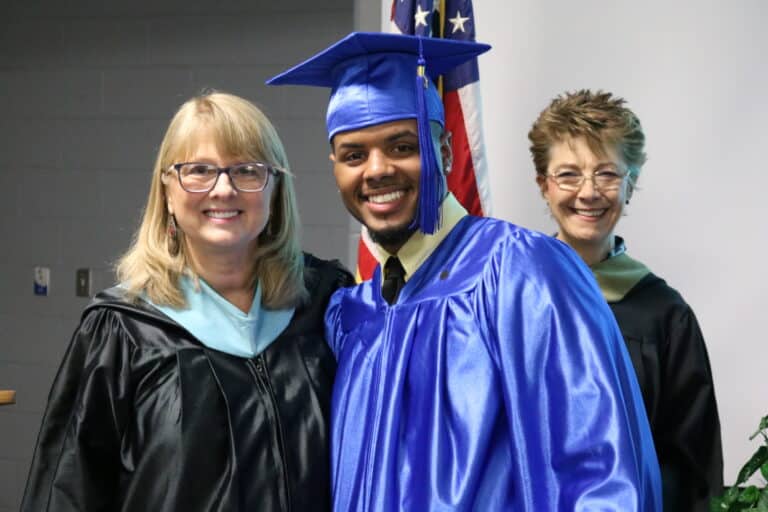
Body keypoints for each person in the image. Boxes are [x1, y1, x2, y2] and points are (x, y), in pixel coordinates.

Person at [268, 32, 662, 511]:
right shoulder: (352, 313)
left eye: (401, 146)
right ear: (335, 168)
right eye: (354, 154)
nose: (377, 170)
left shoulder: (523, 273)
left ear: (447, 153)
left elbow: (600, 473)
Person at [21, 91, 353, 511]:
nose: (224, 189)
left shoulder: (324, 305)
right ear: (167, 191)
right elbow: (68, 491)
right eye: (198, 171)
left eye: (248, 171)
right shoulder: (122, 332)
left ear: (275, 188)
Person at [528, 89, 723, 511]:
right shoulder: (513, 296)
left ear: (630, 183)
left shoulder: (664, 315)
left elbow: (691, 470)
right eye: (568, 174)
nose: (588, 192)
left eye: (607, 174)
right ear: (544, 185)